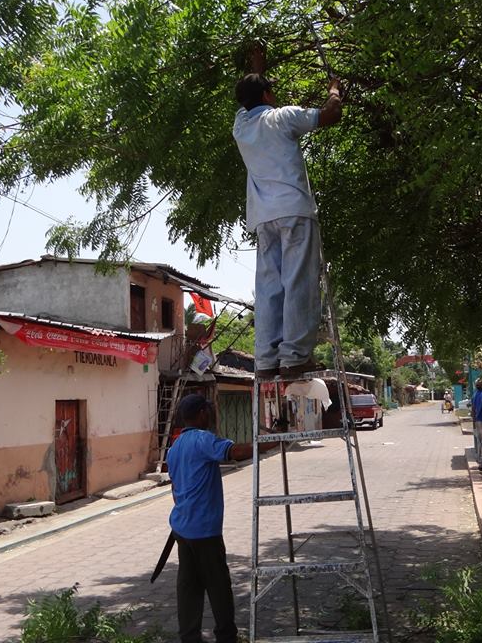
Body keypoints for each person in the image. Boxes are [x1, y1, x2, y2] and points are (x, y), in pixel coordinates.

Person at [232, 68, 343, 379]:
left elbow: (251, 98)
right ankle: (294, 357)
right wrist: (334, 90)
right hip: (294, 210)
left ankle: (266, 360)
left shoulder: (241, 127)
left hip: (263, 218)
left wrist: (257, 65)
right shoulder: (283, 117)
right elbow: (330, 115)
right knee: (299, 283)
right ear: (268, 95)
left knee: (269, 288)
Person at [166, 393, 281, 643]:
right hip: (204, 531)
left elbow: (175, 489)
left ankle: (189, 637)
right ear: (202, 414)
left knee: (189, 588)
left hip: (183, 530)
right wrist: (270, 442)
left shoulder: (175, 448)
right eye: (209, 410)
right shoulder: (202, 439)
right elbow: (234, 452)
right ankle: (226, 636)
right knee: (218, 586)